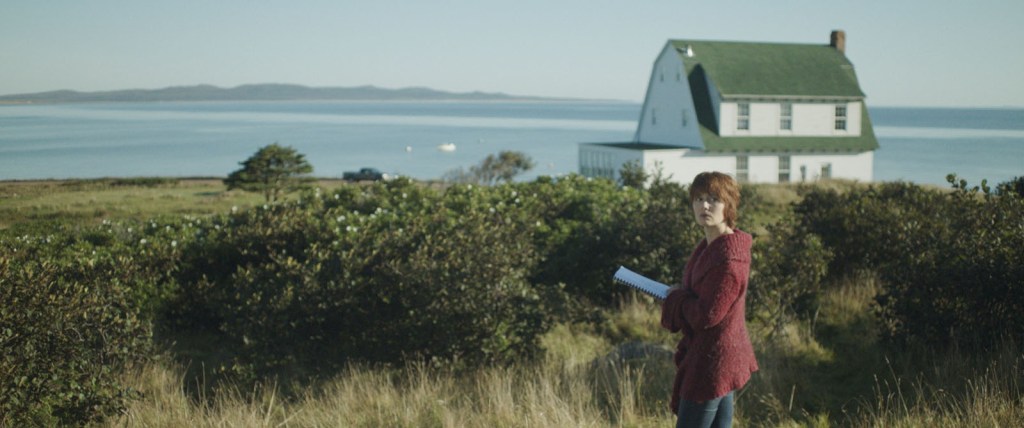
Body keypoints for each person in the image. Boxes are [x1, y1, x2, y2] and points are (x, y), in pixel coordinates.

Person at [661, 171, 758, 428]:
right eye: (698, 199)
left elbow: (707, 315)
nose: (704, 206)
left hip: (713, 360)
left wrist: (676, 299)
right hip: (715, 354)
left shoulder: (729, 259)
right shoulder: (708, 246)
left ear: (728, 206)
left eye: (713, 199)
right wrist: (679, 296)